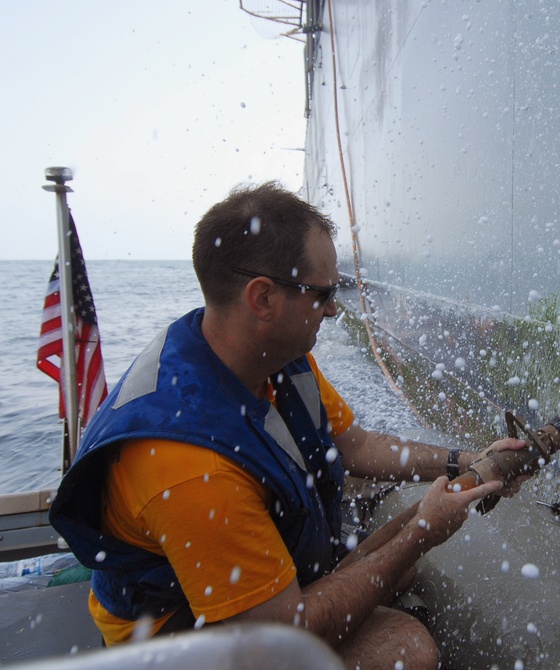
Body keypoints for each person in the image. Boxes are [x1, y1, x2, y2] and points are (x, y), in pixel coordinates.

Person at [49, 182, 525, 669]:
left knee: (397, 564)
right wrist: (423, 531)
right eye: (322, 294)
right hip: (172, 637)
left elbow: (358, 447)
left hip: (242, 590)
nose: (334, 309)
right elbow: (280, 634)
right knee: (406, 648)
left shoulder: (264, 354)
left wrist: (467, 461)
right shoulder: (192, 469)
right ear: (263, 299)